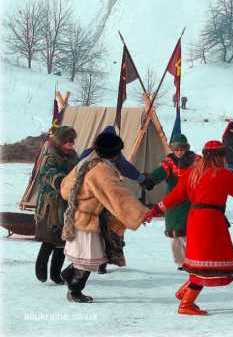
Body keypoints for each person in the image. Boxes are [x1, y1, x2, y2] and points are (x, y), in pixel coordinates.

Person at [144, 140, 233, 316]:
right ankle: (186, 304)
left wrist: (154, 210)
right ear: (220, 156)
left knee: (200, 261)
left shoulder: (192, 173)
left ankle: (184, 292)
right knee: (206, 265)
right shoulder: (223, 175)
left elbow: (174, 196)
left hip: (195, 220)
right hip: (211, 222)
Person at [59, 132, 149, 303]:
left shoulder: (88, 161)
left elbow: (65, 187)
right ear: (114, 153)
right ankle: (75, 291)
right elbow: (118, 195)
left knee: (86, 255)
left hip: (80, 217)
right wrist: (140, 213)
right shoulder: (101, 170)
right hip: (87, 220)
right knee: (88, 259)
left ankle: (68, 274)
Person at [80, 125, 154, 274]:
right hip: (99, 199)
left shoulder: (92, 153)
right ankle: (98, 262)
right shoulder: (99, 157)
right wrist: (142, 179)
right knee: (105, 229)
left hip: (91, 199)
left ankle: (99, 262)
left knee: (101, 230)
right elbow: (126, 169)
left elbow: (126, 168)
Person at [148, 134, 201, 270]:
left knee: (189, 235)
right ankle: (180, 262)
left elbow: (205, 173)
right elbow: (159, 173)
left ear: (186, 148)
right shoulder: (169, 162)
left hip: (190, 201)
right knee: (174, 236)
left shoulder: (196, 161)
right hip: (173, 202)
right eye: (176, 149)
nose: (179, 152)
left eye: (181, 149)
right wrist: (149, 180)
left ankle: (192, 260)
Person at [34, 126, 79, 284]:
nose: (71, 145)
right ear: (60, 142)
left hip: (67, 203)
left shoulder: (74, 157)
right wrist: (60, 181)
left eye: (72, 142)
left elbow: (78, 172)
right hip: (51, 204)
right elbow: (46, 174)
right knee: (50, 238)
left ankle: (56, 274)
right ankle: (40, 268)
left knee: (62, 240)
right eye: (68, 142)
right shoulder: (50, 157)